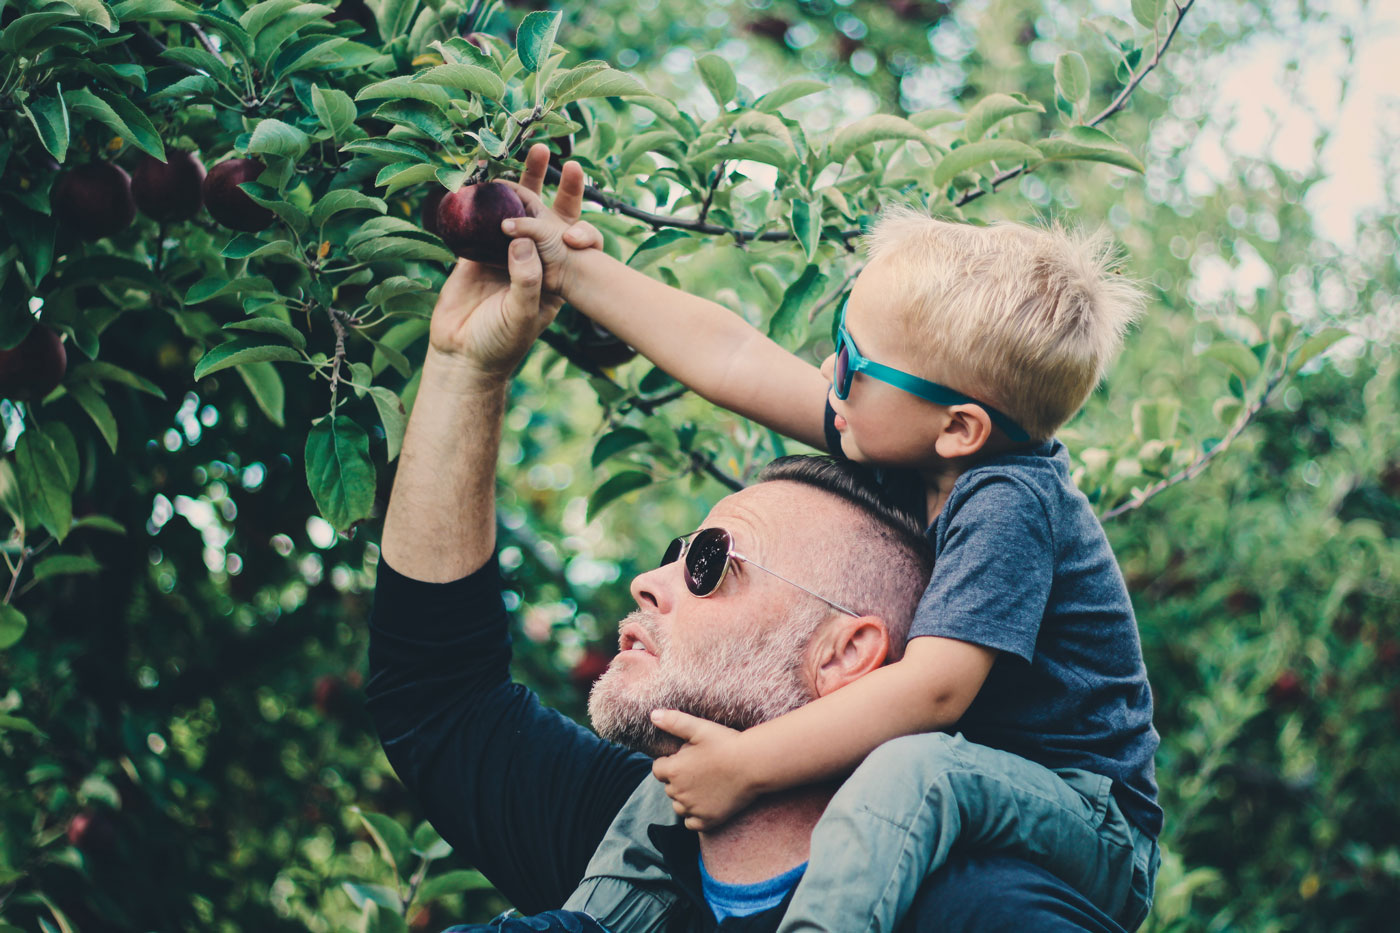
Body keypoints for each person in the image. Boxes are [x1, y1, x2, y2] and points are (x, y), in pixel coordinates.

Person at [368, 145, 1132, 931]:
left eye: (708, 561)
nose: (834, 369)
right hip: (973, 786)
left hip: (1084, 808)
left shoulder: (1008, 500)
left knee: (915, 765)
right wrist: (564, 274)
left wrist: (748, 767)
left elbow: (936, 690)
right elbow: (733, 356)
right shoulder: (909, 438)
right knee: (654, 814)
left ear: (847, 653)